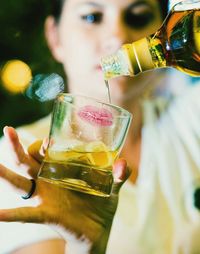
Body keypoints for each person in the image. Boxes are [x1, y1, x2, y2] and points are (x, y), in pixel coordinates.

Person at [0, 0, 200, 253]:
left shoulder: (192, 118)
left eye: (138, 17)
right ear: (54, 37)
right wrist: (87, 247)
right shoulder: (21, 157)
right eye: (92, 17)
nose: (117, 38)